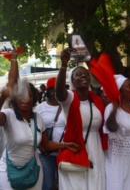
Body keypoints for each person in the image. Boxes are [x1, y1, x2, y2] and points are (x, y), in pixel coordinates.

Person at [0, 50, 79, 190]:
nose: (25, 99)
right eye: (21, 95)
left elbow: (46, 144)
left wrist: (64, 145)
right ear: (16, 99)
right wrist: (2, 97)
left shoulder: (38, 119)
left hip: (34, 171)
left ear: (34, 98)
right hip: (8, 172)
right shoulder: (9, 115)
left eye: (29, 95)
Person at [55, 48, 108, 190]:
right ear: (72, 81)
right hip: (76, 149)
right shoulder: (70, 99)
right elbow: (59, 93)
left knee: (95, 183)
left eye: (86, 74)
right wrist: (63, 66)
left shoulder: (96, 100)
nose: (83, 76)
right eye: (78, 75)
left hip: (95, 149)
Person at [34, 77, 66, 190]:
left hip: (64, 151)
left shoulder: (67, 106)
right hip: (45, 153)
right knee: (47, 185)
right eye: (60, 89)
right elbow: (34, 129)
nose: (64, 92)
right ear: (51, 91)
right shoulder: (40, 108)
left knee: (64, 184)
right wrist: (42, 148)